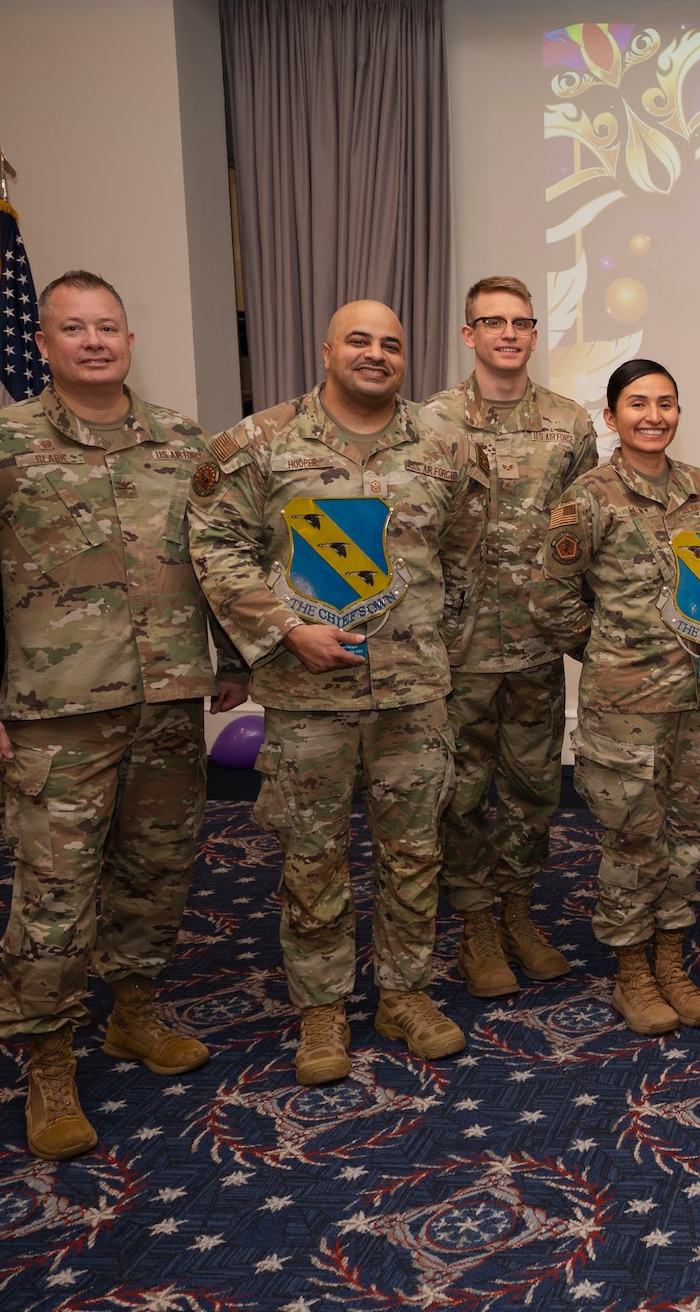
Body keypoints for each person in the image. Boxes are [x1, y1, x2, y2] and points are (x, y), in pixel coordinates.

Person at [0, 270, 247, 1160]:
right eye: (73, 328)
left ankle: (135, 1011)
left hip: (168, 704)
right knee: (54, 897)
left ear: (130, 342)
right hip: (59, 716)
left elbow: (224, 558)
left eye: (109, 328)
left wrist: (237, 659)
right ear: (46, 345)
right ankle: (47, 1059)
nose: (94, 342)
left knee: (158, 874)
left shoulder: (183, 444)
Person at [189, 299, 488, 1085]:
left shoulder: (446, 444)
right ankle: (322, 1009)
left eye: (391, 343)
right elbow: (216, 546)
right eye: (359, 340)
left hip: (413, 698)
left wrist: (428, 646)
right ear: (325, 349)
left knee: (414, 855)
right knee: (313, 858)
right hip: (306, 691)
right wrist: (285, 629)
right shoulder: (260, 443)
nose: (376, 354)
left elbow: (461, 557)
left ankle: (406, 993)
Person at [533, 359, 700, 1036]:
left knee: (686, 836)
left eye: (666, 403)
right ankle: (631, 974)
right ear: (613, 416)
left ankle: (672, 962)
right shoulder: (587, 497)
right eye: (639, 403)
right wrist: (613, 650)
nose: (654, 415)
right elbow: (551, 597)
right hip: (624, 711)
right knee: (632, 841)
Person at [423, 276, 597, 999]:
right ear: (469, 335)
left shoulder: (569, 423)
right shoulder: (429, 422)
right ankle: (475, 925)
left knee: (530, 790)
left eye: (521, 322)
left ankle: (520, 912)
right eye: (491, 322)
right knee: (459, 793)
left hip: (534, 644)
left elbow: (585, 533)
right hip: (455, 649)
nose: (507, 333)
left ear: (533, 333)